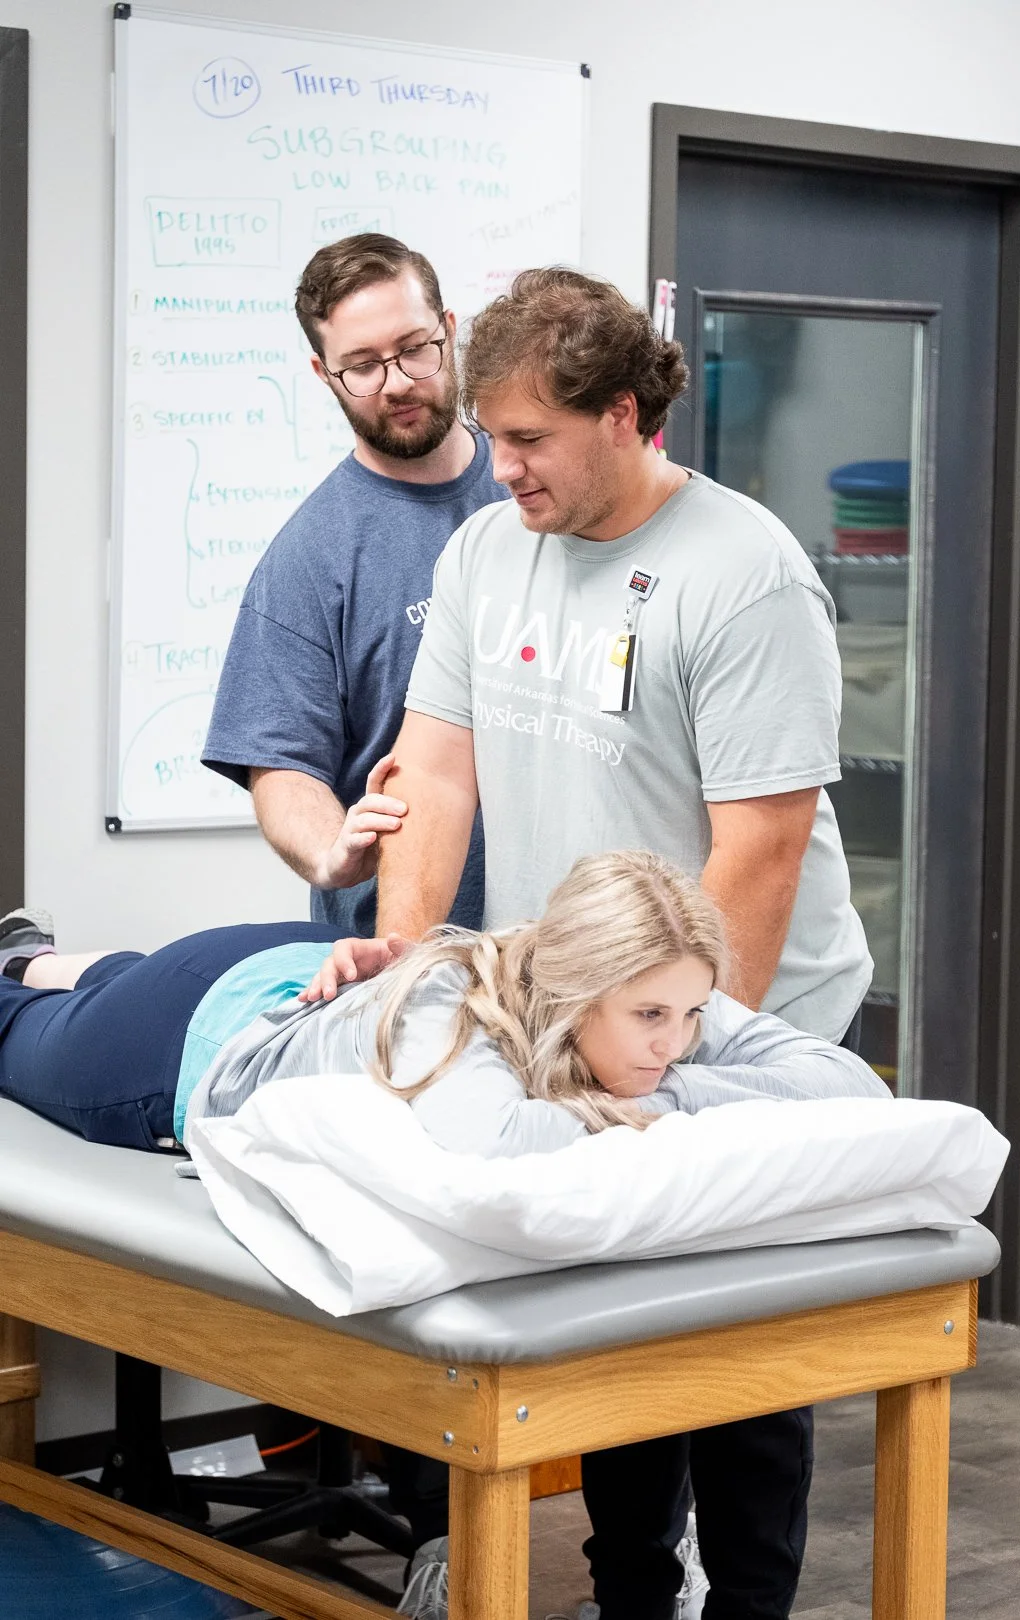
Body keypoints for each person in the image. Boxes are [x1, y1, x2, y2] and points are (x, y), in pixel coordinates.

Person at [371, 269, 876, 1618]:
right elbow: (435, 774)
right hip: (584, 1009)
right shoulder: (487, 550)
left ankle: (751, 1603)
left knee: (736, 1349)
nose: (503, 464)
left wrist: (692, 1055)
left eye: (532, 437)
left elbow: (758, 851)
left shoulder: (745, 572)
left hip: (753, 1009)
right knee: (616, 1317)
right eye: (497, 433)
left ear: (629, 414)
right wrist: (405, 968)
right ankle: (636, 1596)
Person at [0, 853, 887, 1620]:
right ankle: (22, 971)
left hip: (317, 975)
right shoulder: (451, 1007)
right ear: (575, 994)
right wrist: (674, 1105)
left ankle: (31, 952)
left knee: (83, 969)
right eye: (651, 1020)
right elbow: (500, 1141)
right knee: (15, 1024)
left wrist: (670, 1095)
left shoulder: (657, 989)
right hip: (185, 1039)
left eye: (692, 1016)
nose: (677, 1042)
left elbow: (851, 1088)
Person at [201, 233, 508, 936]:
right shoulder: (309, 559)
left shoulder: (534, 489)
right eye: (363, 366)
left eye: (413, 348)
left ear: (450, 330)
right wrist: (328, 850)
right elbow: (281, 766)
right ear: (323, 373)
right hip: (409, 957)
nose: (397, 381)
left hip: (572, 949)